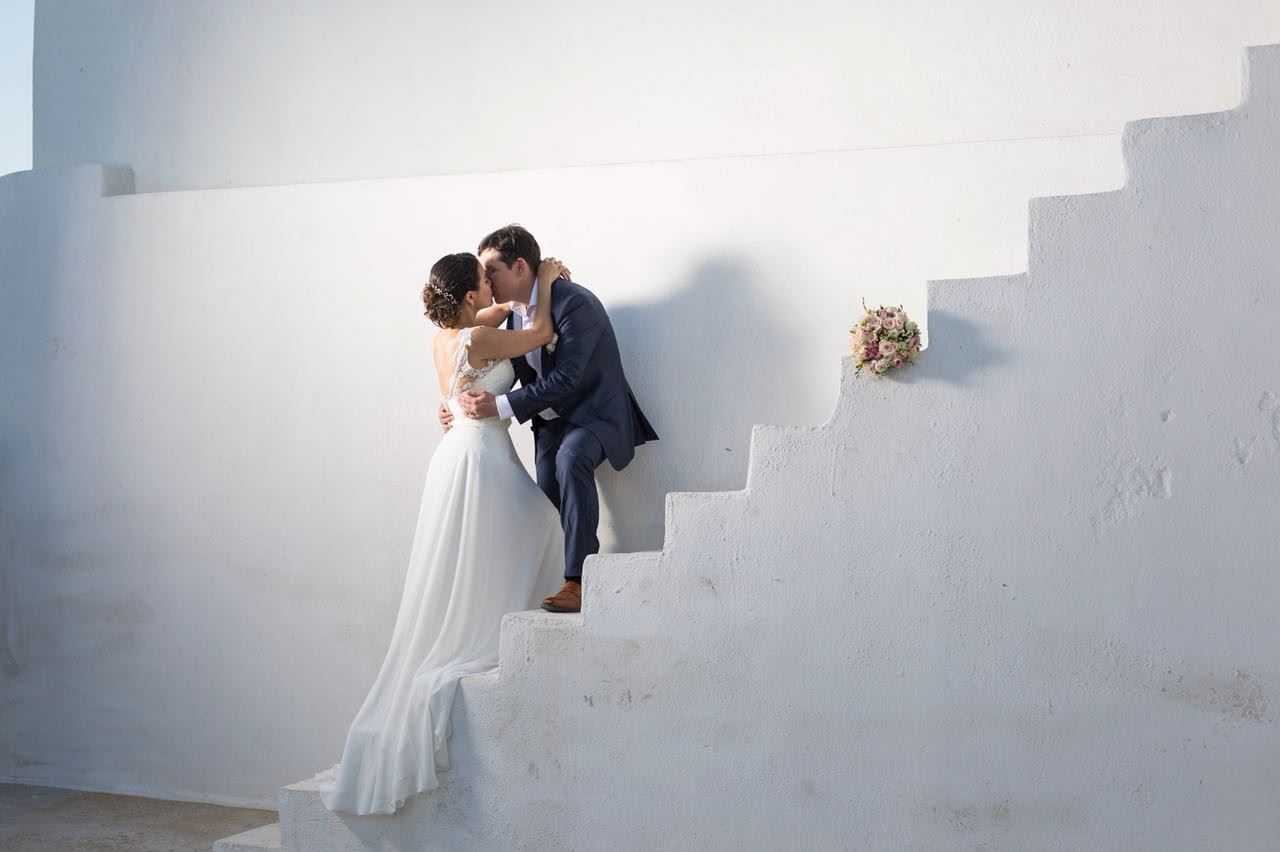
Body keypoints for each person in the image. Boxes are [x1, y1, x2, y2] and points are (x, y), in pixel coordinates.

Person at [316, 252, 570, 815]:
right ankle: (506, 628)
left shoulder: (446, 337)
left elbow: (494, 319)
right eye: (485, 281)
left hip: (460, 450)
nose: (492, 286)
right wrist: (546, 283)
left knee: (508, 537)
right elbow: (542, 332)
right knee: (542, 523)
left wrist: (503, 303)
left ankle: (515, 619)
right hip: (480, 455)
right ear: (470, 296)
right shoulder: (477, 343)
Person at [445, 224, 659, 613]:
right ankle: (551, 578)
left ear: (520, 267)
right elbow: (468, 363)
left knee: (570, 459)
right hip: (550, 423)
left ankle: (579, 581)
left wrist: (501, 405)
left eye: (492, 269)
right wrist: (454, 406)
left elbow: (568, 378)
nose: (486, 279)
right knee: (541, 496)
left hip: (595, 414)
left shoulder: (573, 302)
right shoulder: (509, 315)